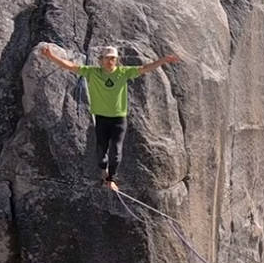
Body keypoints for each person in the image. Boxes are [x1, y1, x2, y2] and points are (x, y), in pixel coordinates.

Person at [41, 44, 180, 191]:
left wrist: (163, 60)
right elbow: (71, 66)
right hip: (101, 118)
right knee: (101, 152)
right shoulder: (93, 72)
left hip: (119, 119)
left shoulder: (123, 72)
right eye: (107, 58)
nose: (110, 61)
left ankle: (110, 179)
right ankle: (103, 170)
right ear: (101, 60)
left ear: (117, 60)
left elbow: (145, 68)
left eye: (113, 58)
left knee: (116, 153)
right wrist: (51, 57)